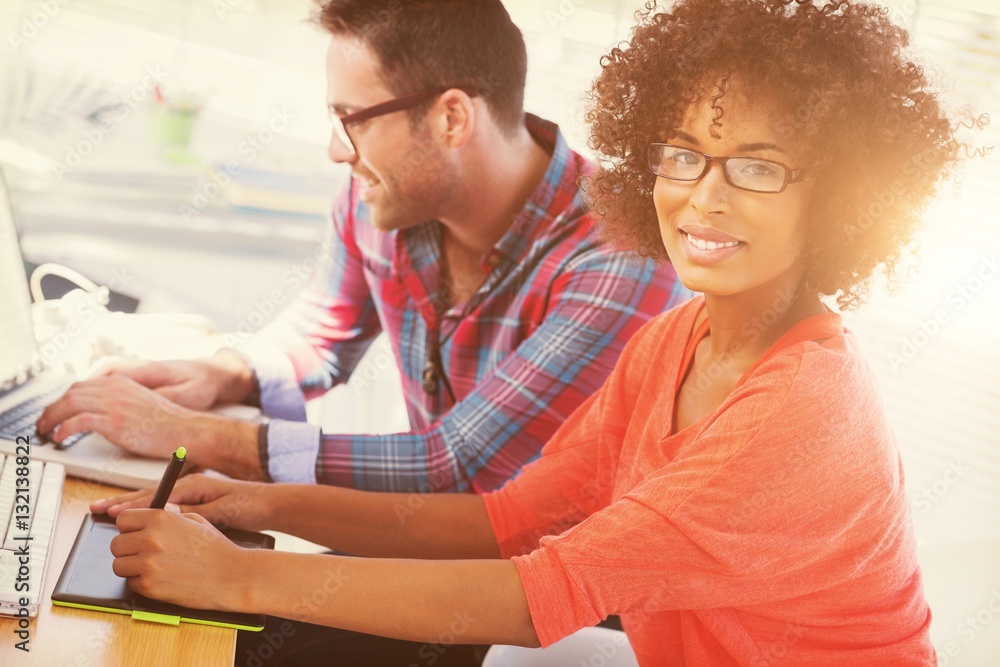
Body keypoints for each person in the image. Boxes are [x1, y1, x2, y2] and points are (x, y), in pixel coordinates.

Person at [92, 0, 962, 664]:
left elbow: (542, 593)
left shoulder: (801, 406)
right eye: (684, 152)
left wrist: (236, 571)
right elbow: (508, 520)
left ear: (841, 197)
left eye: (760, 167)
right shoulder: (678, 341)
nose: (705, 195)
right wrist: (255, 504)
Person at [35, 0, 685, 492]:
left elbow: (454, 465)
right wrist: (221, 373)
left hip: (557, 600)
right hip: (425, 552)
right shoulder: (388, 190)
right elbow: (323, 335)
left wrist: (186, 435)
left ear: (452, 118)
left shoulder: (619, 256)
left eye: (352, 119)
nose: (335, 149)